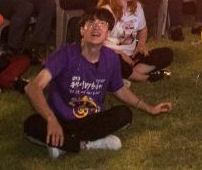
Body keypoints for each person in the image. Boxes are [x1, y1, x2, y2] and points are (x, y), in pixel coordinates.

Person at [23, 8, 172, 158]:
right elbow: (33, 87)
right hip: (60, 118)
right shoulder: (65, 54)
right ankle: (89, 143)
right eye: (91, 22)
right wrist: (50, 119)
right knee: (32, 124)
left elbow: (120, 90)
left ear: (107, 34)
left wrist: (149, 108)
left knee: (124, 114)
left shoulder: (111, 58)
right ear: (82, 30)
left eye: (102, 23)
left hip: (90, 119)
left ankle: (66, 144)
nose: (96, 27)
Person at [96, 0, 172, 83]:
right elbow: (97, 42)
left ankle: (129, 74)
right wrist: (120, 54)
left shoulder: (136, 7)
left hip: (132, 57)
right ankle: (144, 77)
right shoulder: (105, 11)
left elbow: (143, 29)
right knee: (113, 61)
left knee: (167, 53)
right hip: (112, 56)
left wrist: (141, 44)